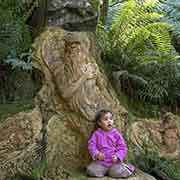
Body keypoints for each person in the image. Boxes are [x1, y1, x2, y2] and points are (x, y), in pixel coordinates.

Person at [86, 109, 135, 178]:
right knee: (90, 170)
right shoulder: (96, 134)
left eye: (111, 119)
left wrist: (117, 156)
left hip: (114, 163)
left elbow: (123, 147)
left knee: (119, 172)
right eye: (106, 119)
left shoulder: (116, 133)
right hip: (101, 162)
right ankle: (106, 171)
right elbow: (91, 145)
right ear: (99, 123)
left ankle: (122, 169)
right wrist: (97, 154)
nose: (109, 121)